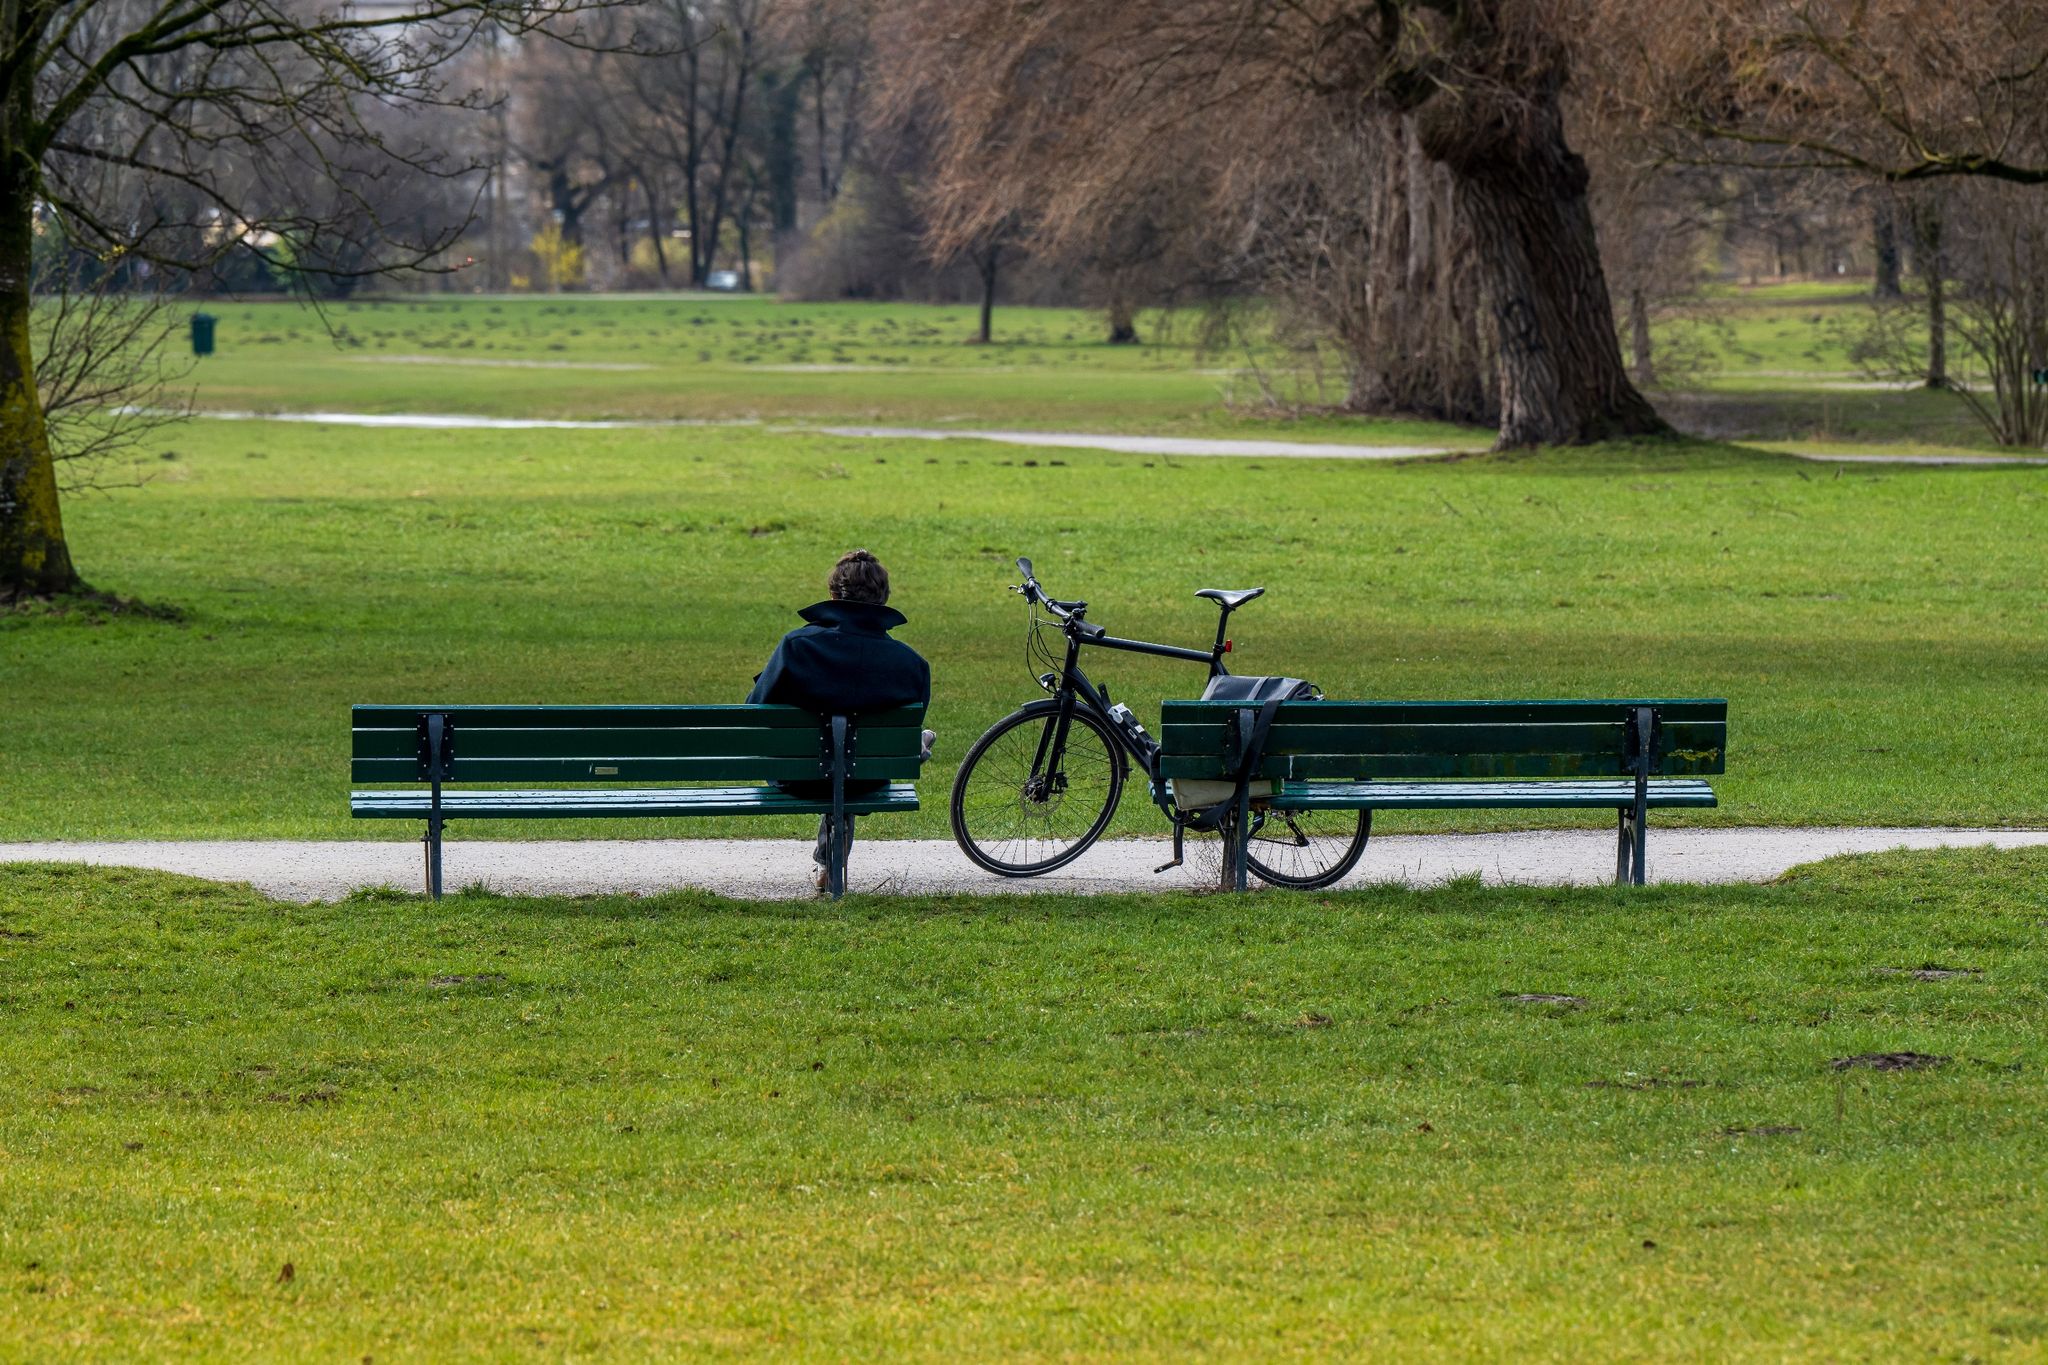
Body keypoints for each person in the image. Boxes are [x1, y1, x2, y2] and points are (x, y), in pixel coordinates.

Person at [747, 549, 933, 890]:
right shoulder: (911, 664)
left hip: (798, 776)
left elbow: (754, 713)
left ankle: (828, 864)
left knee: (836, 753)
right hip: (866, 778)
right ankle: (830, 864)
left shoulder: (797, 646)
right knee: (848, 759)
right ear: (883, 599)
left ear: (833, 595)